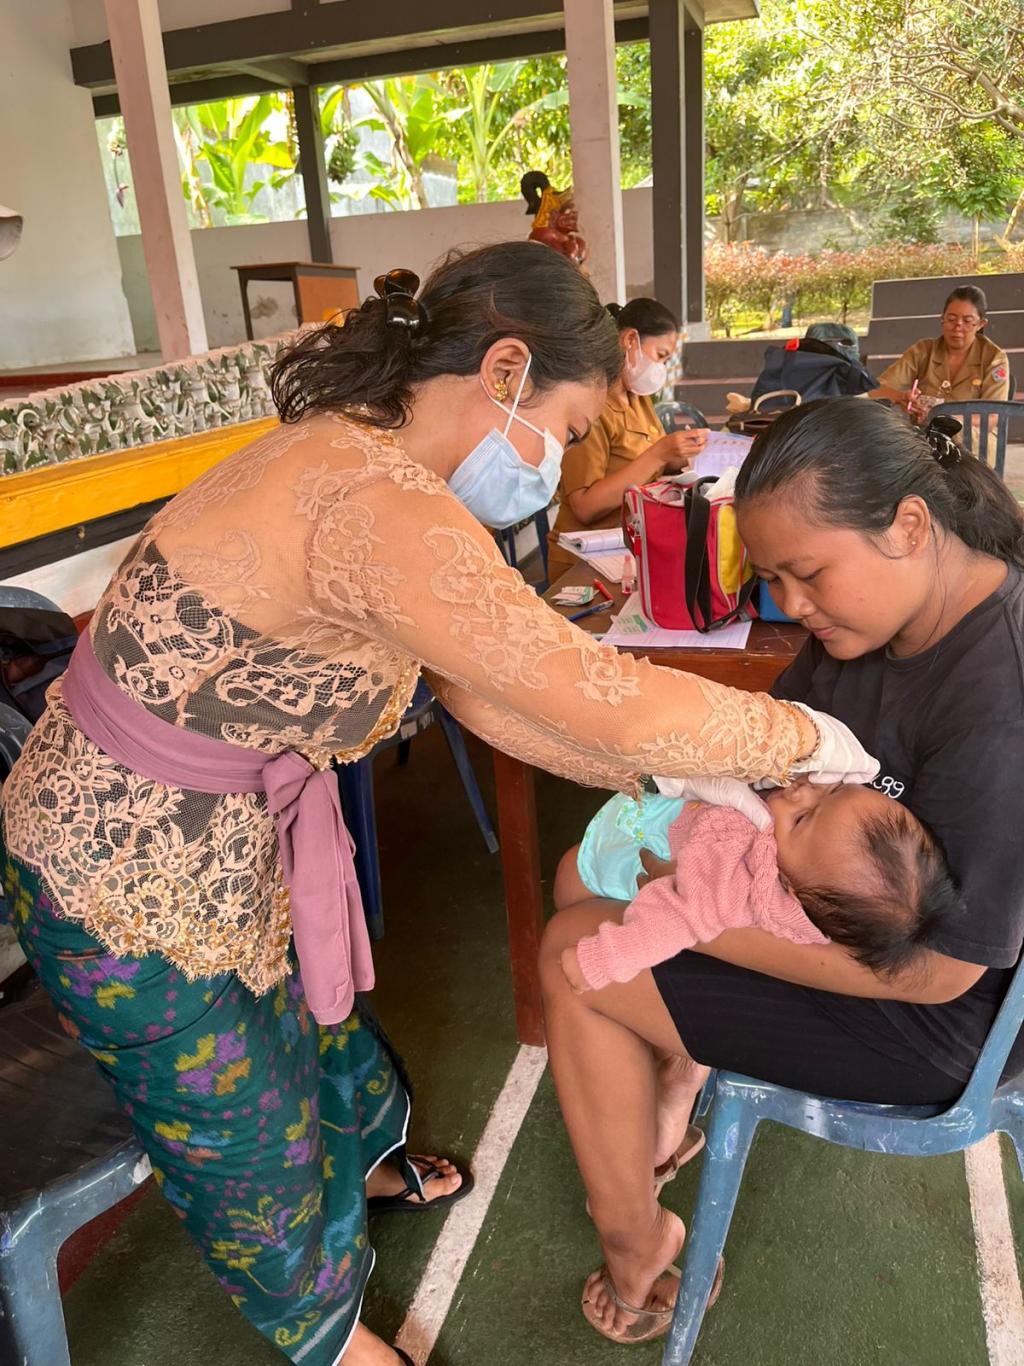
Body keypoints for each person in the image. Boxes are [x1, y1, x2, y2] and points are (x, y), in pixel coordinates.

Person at [0, 244, 873, 1366]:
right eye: (562, 428)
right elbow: (590, 692)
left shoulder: (363, 460)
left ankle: (363, 1162)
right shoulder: (377, 504)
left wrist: (668, 774)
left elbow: (487, 697)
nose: (552, 464)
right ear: (504, 371)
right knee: (239, 1126)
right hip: (118, 865)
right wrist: (800, 740)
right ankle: (328, 1337)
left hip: (209, 839)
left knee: (314, 1026)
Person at [539, 395, 1024, 1346]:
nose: (792, 606)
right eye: (771, 579)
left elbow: (942, 972)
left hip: (934, 1016)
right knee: (579, 876)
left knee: (575, 954)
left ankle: (636, 1240)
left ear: (909, 527)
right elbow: (776, 748)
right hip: (822, 915)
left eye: (807, 575)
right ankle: (676, 1064)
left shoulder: (998, 695)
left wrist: (693, 911)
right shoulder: (874, 622)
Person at [556, 777, 961, 990]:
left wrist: (600, 961)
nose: (802, 791)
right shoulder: (803, 851)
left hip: (631, 852)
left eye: (802, 818)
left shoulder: (734, 884)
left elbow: (674, 923)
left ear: (792, 890)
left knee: (570, 878)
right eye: (834, 791)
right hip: (664, 806)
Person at [547, 297, 709, 578]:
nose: (661, 368)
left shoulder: (638, 399)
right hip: (584, 559)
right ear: (631, 340)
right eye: (660, 356)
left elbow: (653, 458)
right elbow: (585, 507)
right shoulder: (592, 405)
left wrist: (679, 453)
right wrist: (659, 453)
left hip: (629, 545)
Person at [870, 285, 1011, 416]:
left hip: (971, 433)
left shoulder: (993, 358)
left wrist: (948, 421)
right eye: (951, 319)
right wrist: (901, 397)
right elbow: (875, 389)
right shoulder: (923, 351)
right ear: (942, 319)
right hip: (924, 433)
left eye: (967, 321)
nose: (957, 327)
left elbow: (993, 416)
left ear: (980, 324)